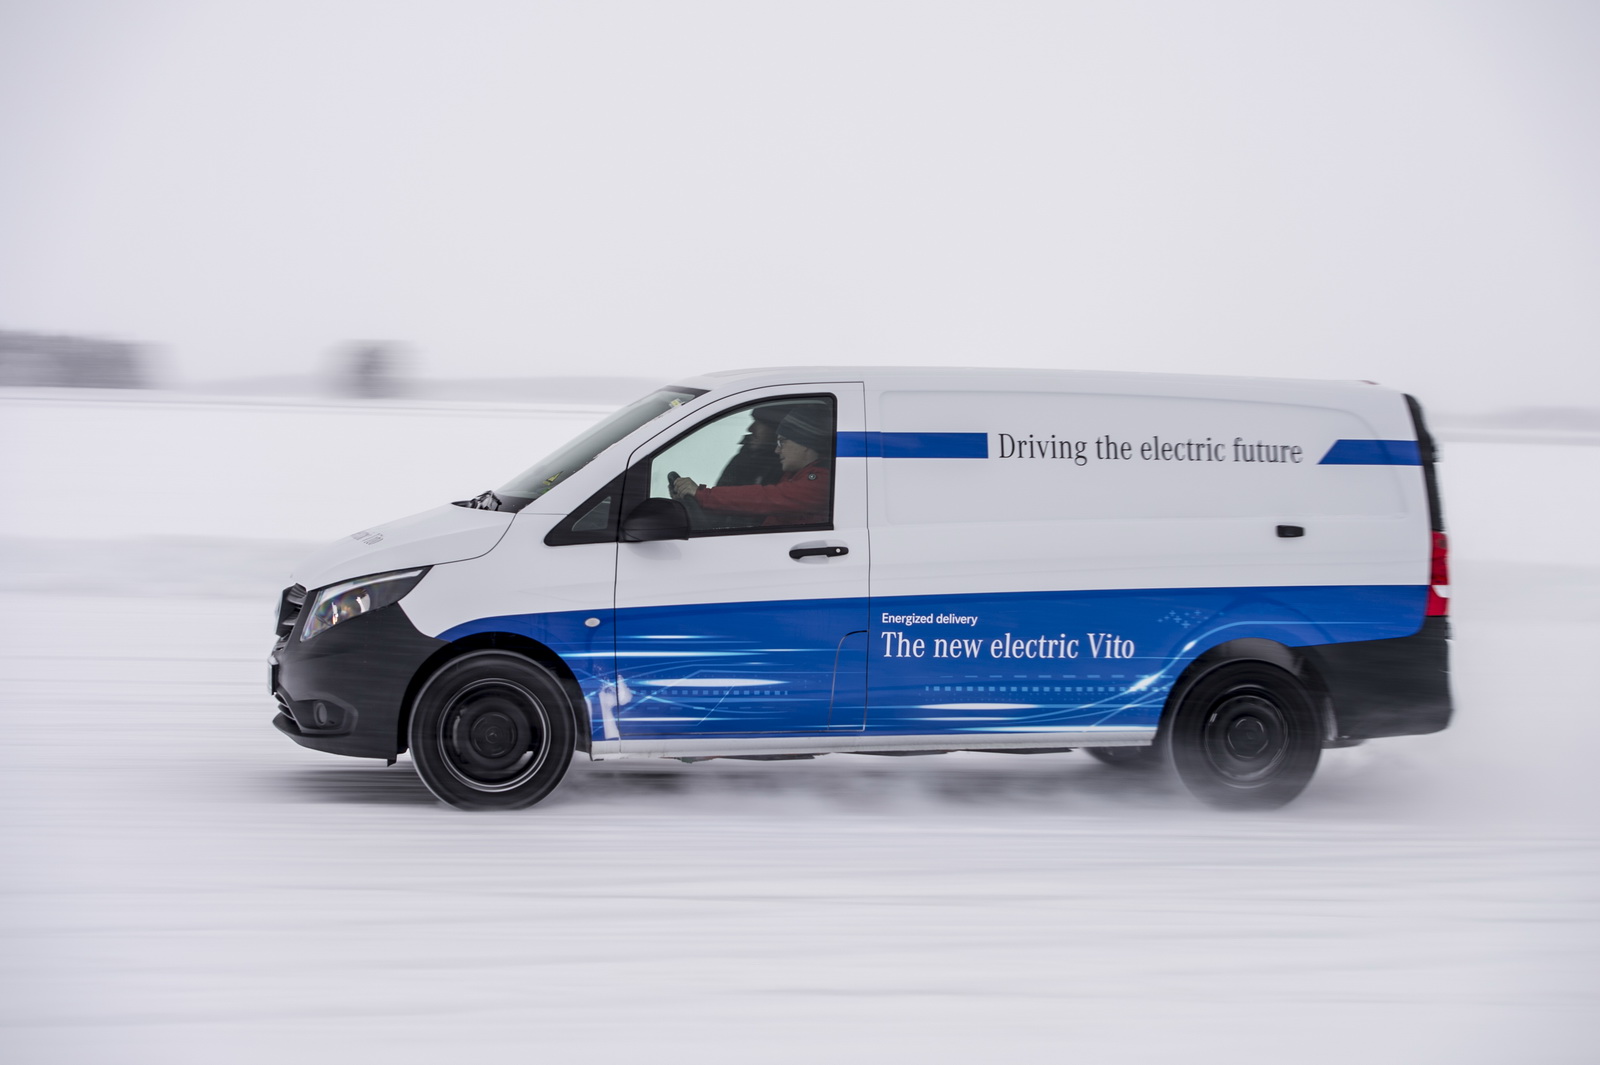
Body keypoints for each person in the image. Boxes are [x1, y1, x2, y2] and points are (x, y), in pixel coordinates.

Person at [671, 407, 832, 526]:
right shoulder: (794, 474)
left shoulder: (820, 482)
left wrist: (702, 495)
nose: (777, 450)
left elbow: (764, 498)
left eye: (783, 441)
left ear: (805, 443)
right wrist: (694, 502)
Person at [714, 405, 789, 487]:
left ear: (777, 429)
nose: (750, 429)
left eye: (760, 423)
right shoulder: (747, 455)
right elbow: (721, 493)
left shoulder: (790, 464)